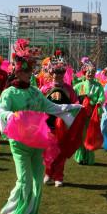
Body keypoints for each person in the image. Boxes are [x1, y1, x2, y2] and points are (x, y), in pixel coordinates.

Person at [0, 39, 82, 214]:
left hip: (37, 142)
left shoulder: (35, 92)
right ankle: (13, 213)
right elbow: (0, 111)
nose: (29, 73)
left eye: (30, 70)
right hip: (19, 143)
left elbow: (51, 107)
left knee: (36, 180)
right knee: (24, 179)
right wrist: (12, 116)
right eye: (25, 70)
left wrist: (72, 107)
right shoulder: (9, 93)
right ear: (17, 71)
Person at [40, 56, 79, 187]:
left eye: (61, 72)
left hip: (63, 126)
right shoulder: (45, 89)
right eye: (56, 72)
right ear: (51, 72)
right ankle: (48, 173)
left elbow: (76, 104)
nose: (58, 75)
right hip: (48, 124)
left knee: (61, 151)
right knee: (48, 151)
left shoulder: (69, 89)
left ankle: (58, 176)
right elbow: (38, 104)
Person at [73, 58, 104, 165]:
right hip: (81, 115)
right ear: (84, 73)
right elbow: (73, 96)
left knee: (90, 136)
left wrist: (97, 101)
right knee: (81, 135)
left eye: (92, 73)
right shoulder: (79, 86)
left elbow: (101, 96)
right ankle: (80, 157)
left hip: (91, 115)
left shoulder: (98, 86)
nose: (89, 74)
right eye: (88, 72)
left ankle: (89, 158)